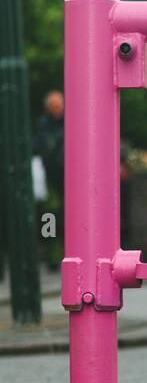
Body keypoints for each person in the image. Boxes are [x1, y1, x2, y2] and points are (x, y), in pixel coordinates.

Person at [31, 90, 66, 269]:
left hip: (69, 178)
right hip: (50, 178)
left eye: (58, 106)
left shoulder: (71, 121)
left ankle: (66, 253)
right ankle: (52, 256)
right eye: (53, 106)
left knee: (69, 217)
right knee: (50, 215)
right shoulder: (43, 126)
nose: (56, 109)